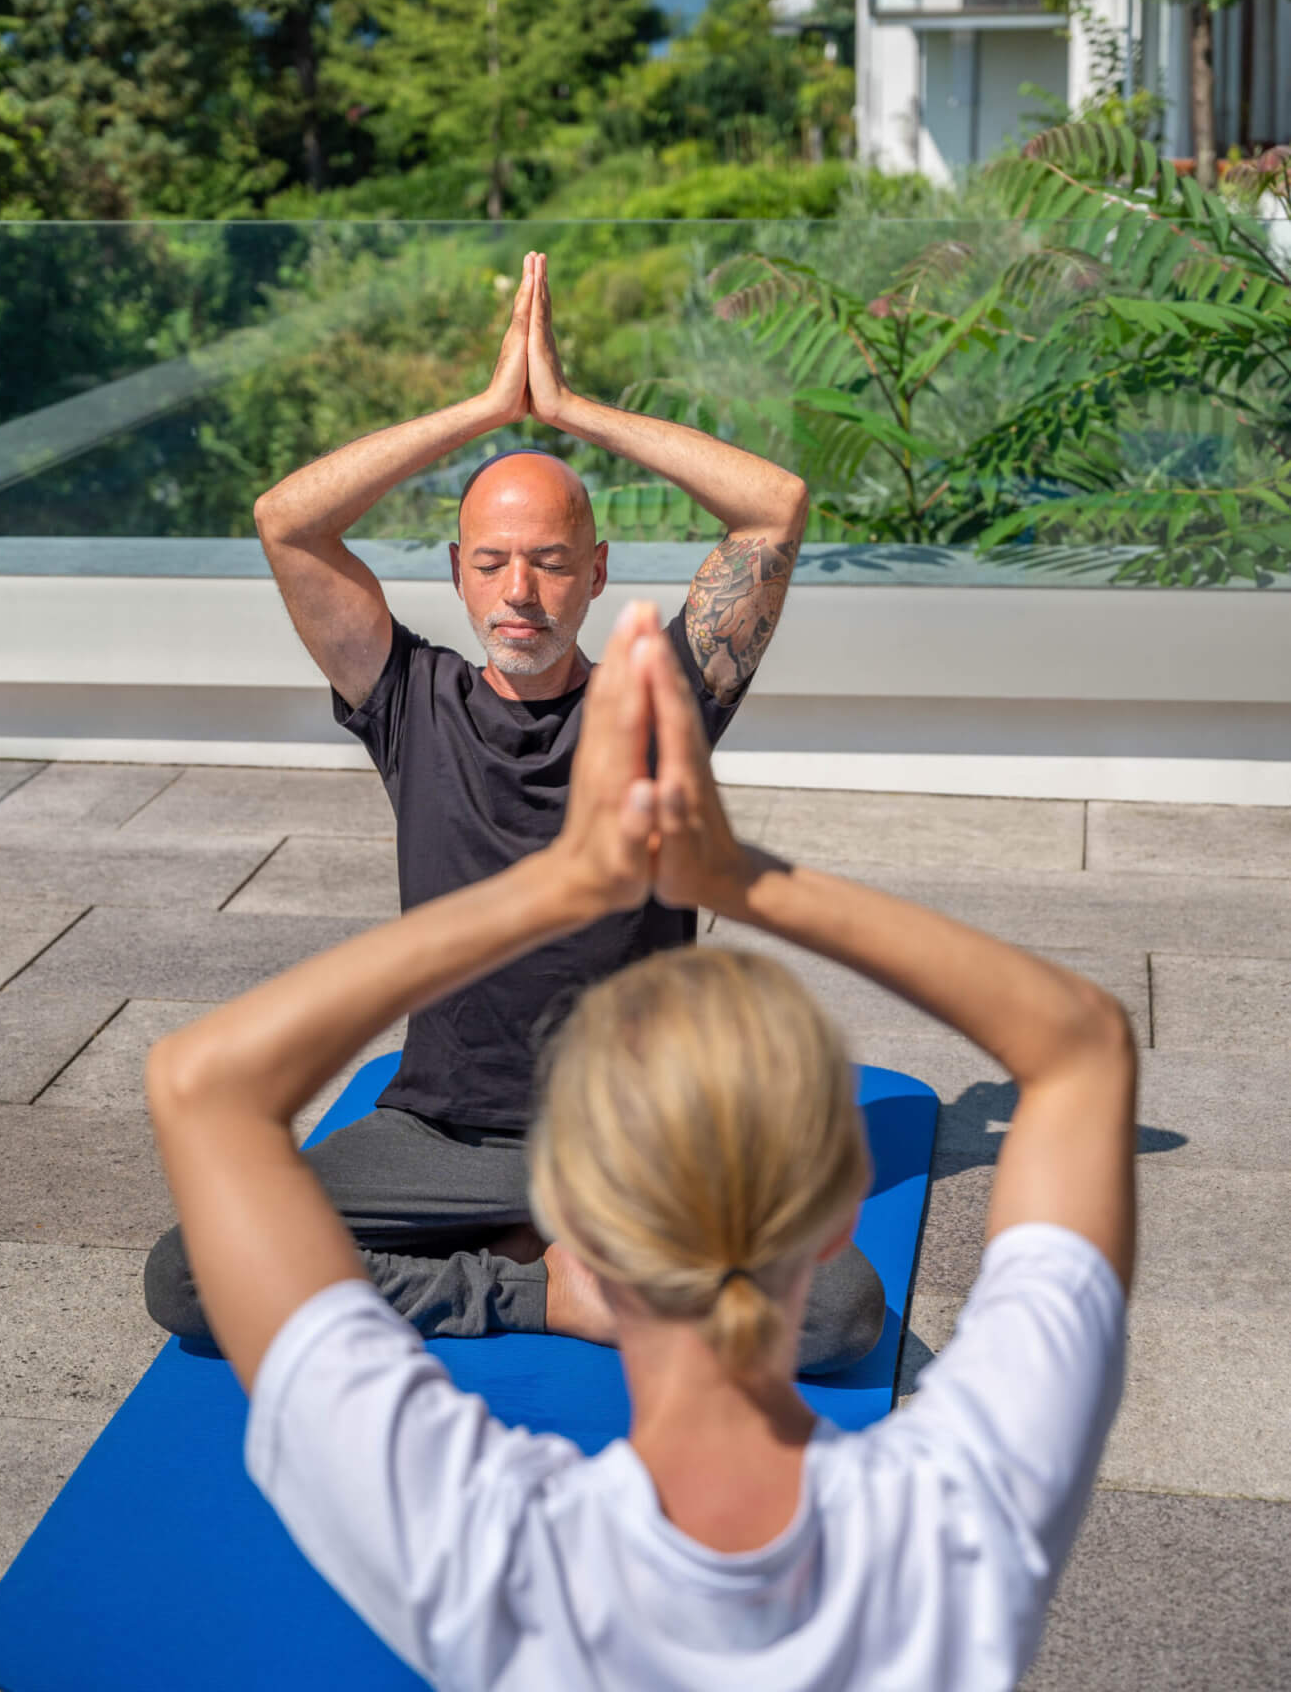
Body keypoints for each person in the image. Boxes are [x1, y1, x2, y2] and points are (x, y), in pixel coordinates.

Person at [146, 604, 1137, 1692]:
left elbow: (208, 1086)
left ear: (576, 1208)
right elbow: (1082, 1046)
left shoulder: (484, 1548)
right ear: (847, 1199)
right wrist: (731, 872)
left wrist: (565, 880)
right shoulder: (969, 1515)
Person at [145, 252, 886, 1372]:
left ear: (596, 572)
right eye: (492, 563)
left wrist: (574, 411)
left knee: (834, 1313)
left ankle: (549, 1238)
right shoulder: (410, 699)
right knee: (190, 1271)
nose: (519, 591)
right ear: (457, 572)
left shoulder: (658, 699)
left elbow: (772, 508)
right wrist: (486, 410)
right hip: (443, 1136)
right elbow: (286, 522)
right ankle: (538, 1283)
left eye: (548, 562)